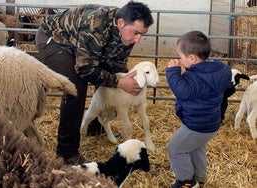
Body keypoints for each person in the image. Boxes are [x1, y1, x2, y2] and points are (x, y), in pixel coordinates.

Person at [35, 1, 154, 165]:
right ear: (121, 23)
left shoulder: (127, 35)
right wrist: (119, 82)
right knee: (75, 87)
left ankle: (96, 126)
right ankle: (67, 153)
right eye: (135, 33)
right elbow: (85, 68)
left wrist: (120, 79)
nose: (138, 39)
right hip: (55, 40)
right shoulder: (95, 24)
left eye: (142, 34)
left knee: (108, 75)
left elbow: (115, 65)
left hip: (80, 44)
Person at [165, 31, 231, 188]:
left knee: (175, 148)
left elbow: (183, 92)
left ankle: (186, 181)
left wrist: (173, 72)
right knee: (195, 148)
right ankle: (199, 178)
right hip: (210, 123)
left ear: (193, 58)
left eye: (180, 56)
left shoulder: (196, 78)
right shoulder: (217, 71)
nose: (179, 59)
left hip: (197, 125)